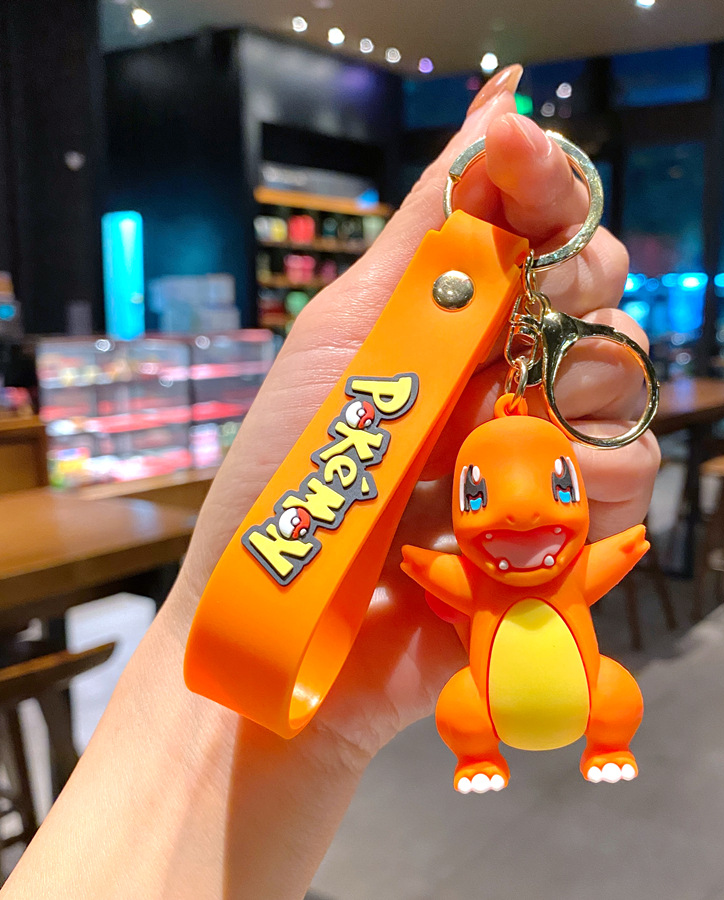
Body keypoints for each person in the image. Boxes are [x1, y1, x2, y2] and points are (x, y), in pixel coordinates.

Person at [0, 65, 658, 899]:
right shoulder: (444, 292)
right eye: (480, 497)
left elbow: (551, 559)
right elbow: (449, 571)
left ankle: (602, 735)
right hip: (287, 646)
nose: (523, 514)